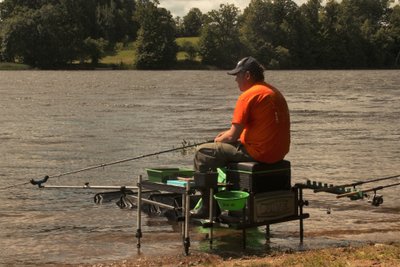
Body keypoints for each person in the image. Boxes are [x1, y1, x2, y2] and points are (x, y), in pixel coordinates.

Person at [191, 56, 291, 218]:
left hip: (259, 153)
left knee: (203, 152)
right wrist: (226, 135)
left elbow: (232, 135)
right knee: (219, 146)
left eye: (237, 75)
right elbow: (250, 129)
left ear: (247, 75)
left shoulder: (248, 95)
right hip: (278, 153)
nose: (236, 80)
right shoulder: (273, 92)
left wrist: (218, 140)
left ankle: (208, 208)